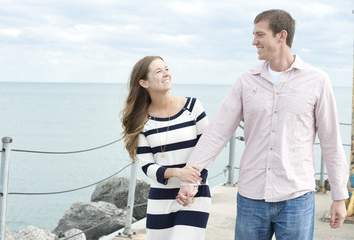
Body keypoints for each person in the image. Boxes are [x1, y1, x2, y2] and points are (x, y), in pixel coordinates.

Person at [177, 9, 349, 240]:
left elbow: (331, 142)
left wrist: (339, 197)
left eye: (260, 35)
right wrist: (191, 179)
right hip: (251, 198)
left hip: (296, 198)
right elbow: (217, 132)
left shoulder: (317, 80)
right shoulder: (246, 81)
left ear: (281, 36)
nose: (254, 42)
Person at [121, 56, 211, 239]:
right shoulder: (141, 121)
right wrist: (179, 173)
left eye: (166, 69)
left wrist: (192, 183)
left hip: (194, 195)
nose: (166, 74)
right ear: (144, 82)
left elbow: (208, 148)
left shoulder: (192, 107)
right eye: (158, 71)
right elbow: (148, 166)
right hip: (160, 200)